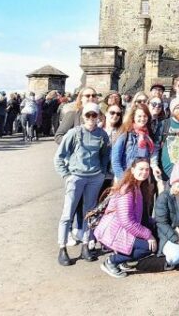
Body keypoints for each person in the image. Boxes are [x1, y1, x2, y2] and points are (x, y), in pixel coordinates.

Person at [53, 102, 111, 266]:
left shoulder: (102, 134)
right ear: (83, 117)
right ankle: (62, 247)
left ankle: (86, 245)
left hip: (94, 177)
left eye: (95, 115)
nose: (92, 118)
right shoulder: (74, 133)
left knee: (89, 212)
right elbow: (59, 156)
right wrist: (66, 175)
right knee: (68, 213)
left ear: (99, 116)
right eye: (88, 115)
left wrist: (102, 172)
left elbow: (105, 154)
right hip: (76, 176)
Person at [95, 158, 159, 278]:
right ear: (133, 170)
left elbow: (142, 216)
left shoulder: (140, 186)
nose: (144, 172)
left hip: (127, 228)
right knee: (148, 247)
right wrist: (148, 235)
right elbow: (127, 221)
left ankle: (122, 260)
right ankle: (112, 261)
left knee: (156, 237)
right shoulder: (127, 190)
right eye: (141, 169)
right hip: (117, 230)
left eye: (147, 169)